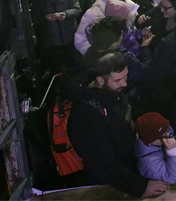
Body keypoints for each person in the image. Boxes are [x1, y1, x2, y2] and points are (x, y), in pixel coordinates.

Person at [65, 52, 161, 198]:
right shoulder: (86, 114)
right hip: (110, 186)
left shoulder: (110, 90)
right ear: (100, 80)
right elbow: (102, 164)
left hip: (128, 168)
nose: (125, 84)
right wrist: (140, 187)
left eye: (125, 77)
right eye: (118, 80)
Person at [134, 112, 176, 187]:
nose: (168, 135)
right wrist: (173, 152)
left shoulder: (160, 138)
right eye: (162, 137)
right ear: (149, 141)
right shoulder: (148, 164)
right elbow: (172, 177)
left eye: (167, 129)